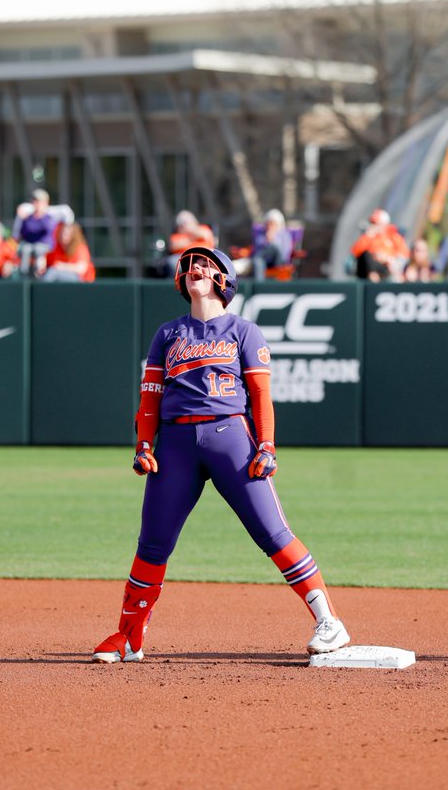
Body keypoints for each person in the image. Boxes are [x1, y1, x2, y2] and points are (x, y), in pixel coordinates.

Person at [92, 246, 349, 663]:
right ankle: (129, 636)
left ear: (223, 279)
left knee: (272, 533)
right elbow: (151, 395)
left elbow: (262, 395)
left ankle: (329, 621)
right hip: (175, 444)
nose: (194, 268)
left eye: (205, 265)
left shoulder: (244, 331)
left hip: (230, 435)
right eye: (190, 265)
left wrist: (266, 445)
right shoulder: (168, 334)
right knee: (152, 544)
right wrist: (143, 443)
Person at [351, 209, 409, 282]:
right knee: (366, 255)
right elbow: (355, 253)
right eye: (372, 223)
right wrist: (368, 236)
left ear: (384, 224)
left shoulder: (393, 236)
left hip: (387, 267)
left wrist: (387, 258)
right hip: (369, 269)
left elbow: (404, 255)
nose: (373, 225)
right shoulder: (368, 236)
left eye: (376, 223)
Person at [13, 189, 60, 278]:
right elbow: (22, 234)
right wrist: (20, 218)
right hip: (30, 246)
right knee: (25, 249)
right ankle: (23, 277)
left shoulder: (49, 217)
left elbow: (47, 229)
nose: (37, 204)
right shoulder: (28, 218)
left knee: (38, 249)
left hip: (45, 247)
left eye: (40, 201)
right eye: (35, 201)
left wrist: (40, 216)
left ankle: (39, 275)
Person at [166, 210, 216, 276]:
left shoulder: (203, 228)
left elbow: (206, 236)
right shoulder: (177, 235)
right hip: (183, 258)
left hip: (204, 256)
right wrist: (192, 238)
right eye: (181, 224)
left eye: (186, 222)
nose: (184, 226)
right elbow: (173, 246)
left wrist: (190, 234)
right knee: (172, 262)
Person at [251, 208, 293, 283]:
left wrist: (272, 240)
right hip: (264, 260)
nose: (270, 226)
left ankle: (276, 283)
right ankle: (259, 286)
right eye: (268, 224)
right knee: (257, 260)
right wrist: (266, 240)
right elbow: (258, 249)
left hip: (279, 261)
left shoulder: (285, 235)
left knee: (275, 248)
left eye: (272, 224)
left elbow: (284, 252)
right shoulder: (261, 234)